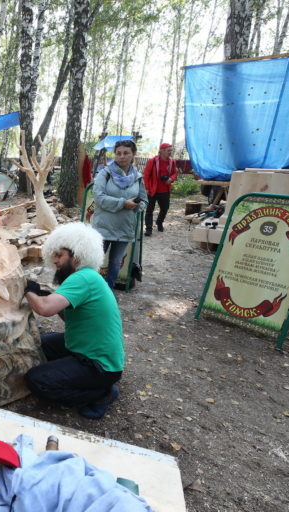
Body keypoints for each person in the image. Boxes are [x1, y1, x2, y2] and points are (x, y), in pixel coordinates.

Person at [24, 222, 124, 419]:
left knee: (36, 380)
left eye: (59, 255)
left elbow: (44, 309)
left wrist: (29, 291)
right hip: (86, 347)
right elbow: (64, 315)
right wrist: (45, 296)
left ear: (77, 256)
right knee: (39, 344)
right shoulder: (87, 277)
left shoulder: (83, 278)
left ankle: (101, 393)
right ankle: (83, 378)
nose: (55, 261)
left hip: (100, 365)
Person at [92, 139, 147, 289]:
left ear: (133, 154)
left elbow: (144, 199)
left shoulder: (138, 177)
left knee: (116, 262)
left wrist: (136, 206)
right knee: (94, 261)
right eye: (118, 153)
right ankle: (89, 291)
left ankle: (107, 292)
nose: (122, 156)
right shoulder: (105, 173)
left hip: (124, 226)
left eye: (126, 153)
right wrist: (123, 203)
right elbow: (98, 197)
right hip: (103, 226)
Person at [143, 143, 178, 236]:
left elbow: (175, 173)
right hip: (152, 190)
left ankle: (159, 222)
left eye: (171, 150)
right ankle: (148, 229)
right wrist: (146, 188)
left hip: (165, 190)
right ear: (162, 151)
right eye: (168, 150)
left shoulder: (172, 161)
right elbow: (146, 175)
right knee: (149, 210)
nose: (170, 152)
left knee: (165, 208)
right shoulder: (152, 161)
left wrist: (171, 179)